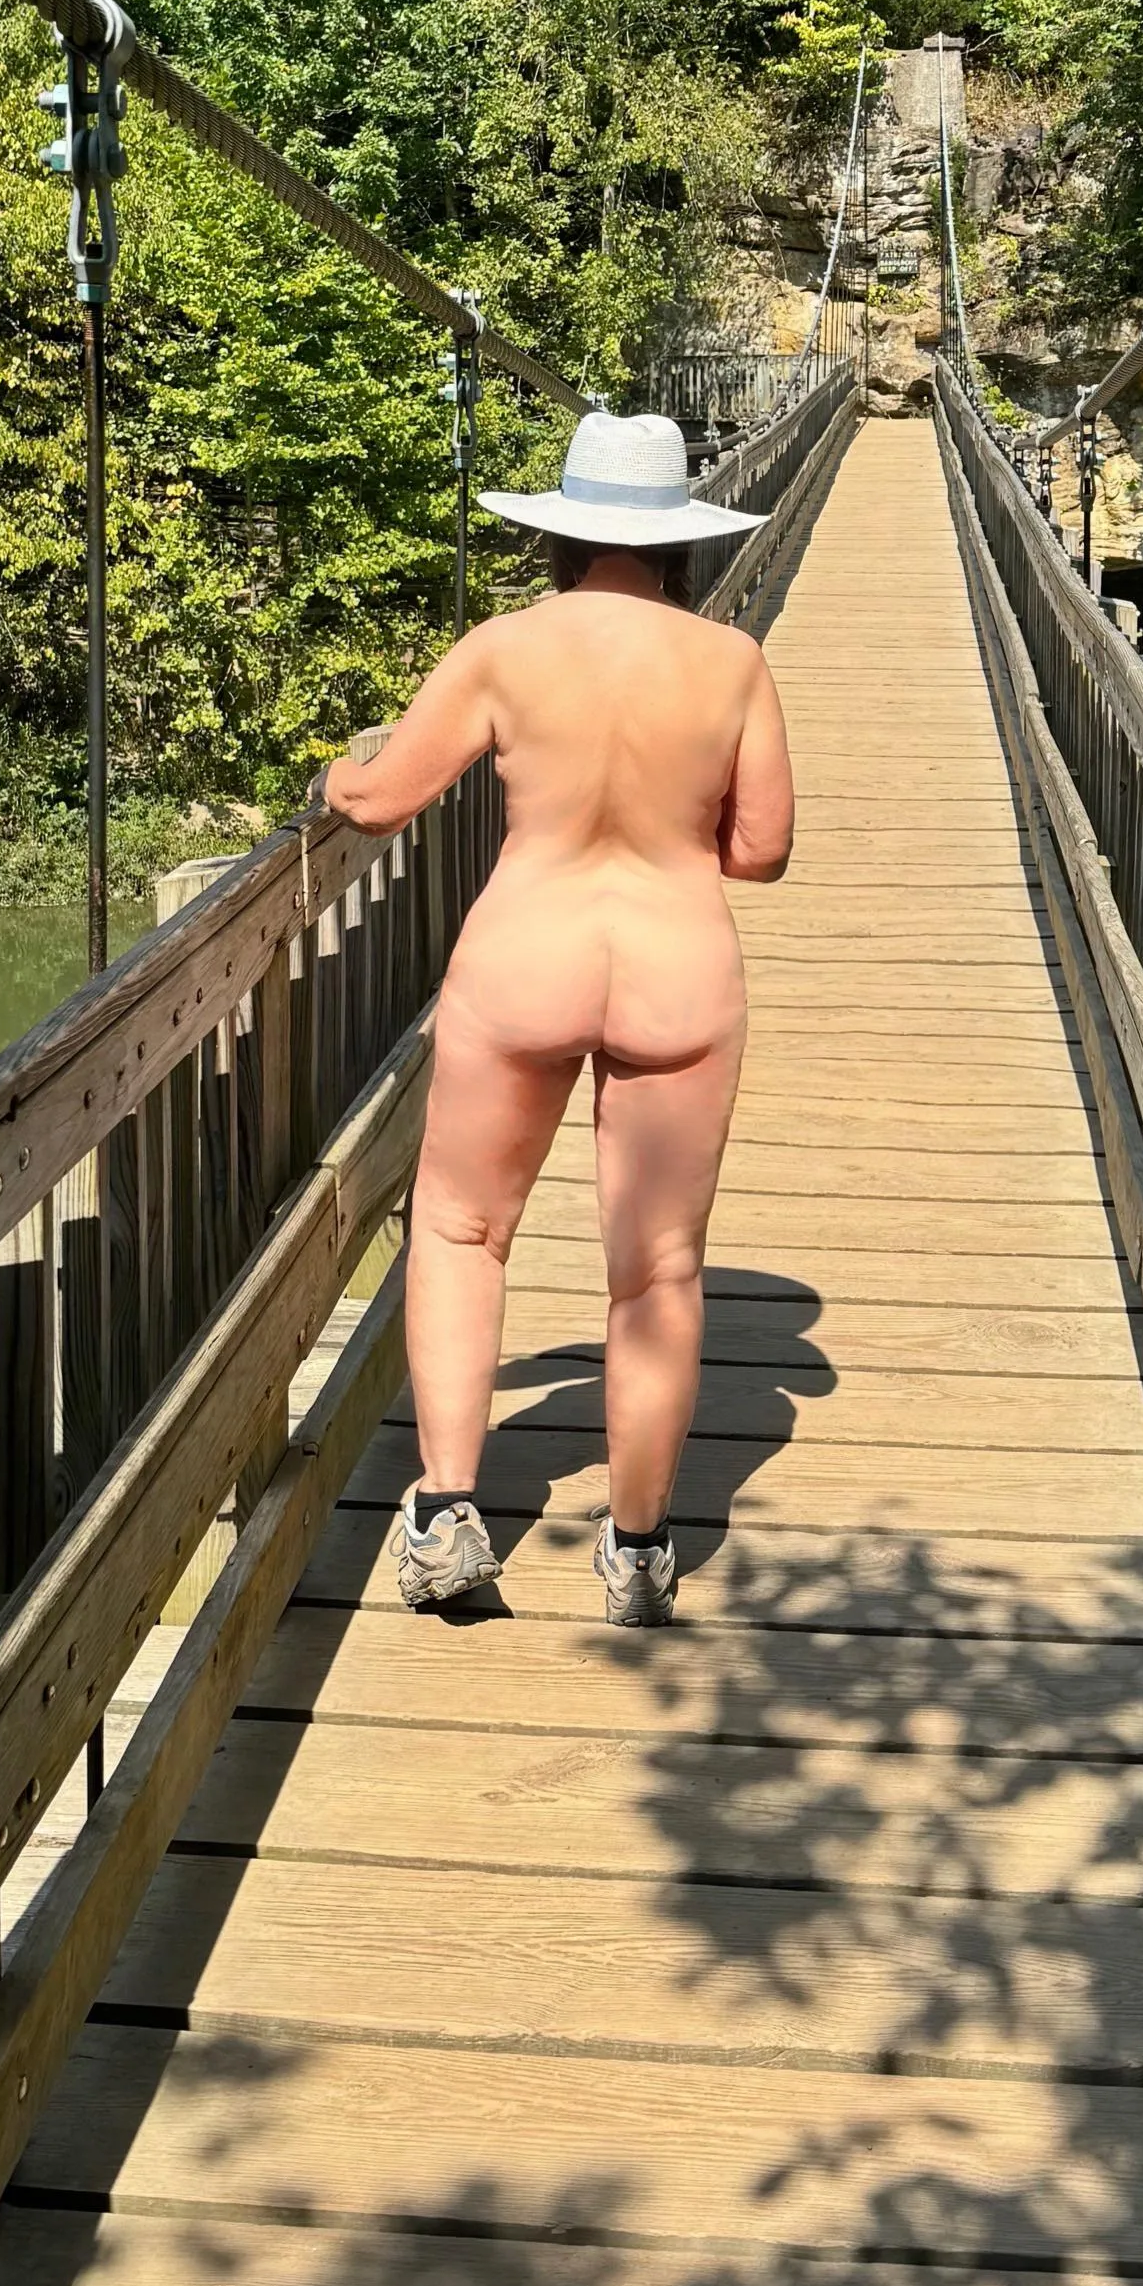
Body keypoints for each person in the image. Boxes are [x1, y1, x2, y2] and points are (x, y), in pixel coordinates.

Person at [320, 409, 795, 1625]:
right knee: (657, 1269)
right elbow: (764, 849)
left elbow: (380, 801)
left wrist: (334, 776)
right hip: (678, 973)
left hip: (522, 962)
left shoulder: (502, 650)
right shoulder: (732, 661)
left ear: (561, 536)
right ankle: (638, 1550)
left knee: (466, 1229)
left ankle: (447, 1515)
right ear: (680, 544)